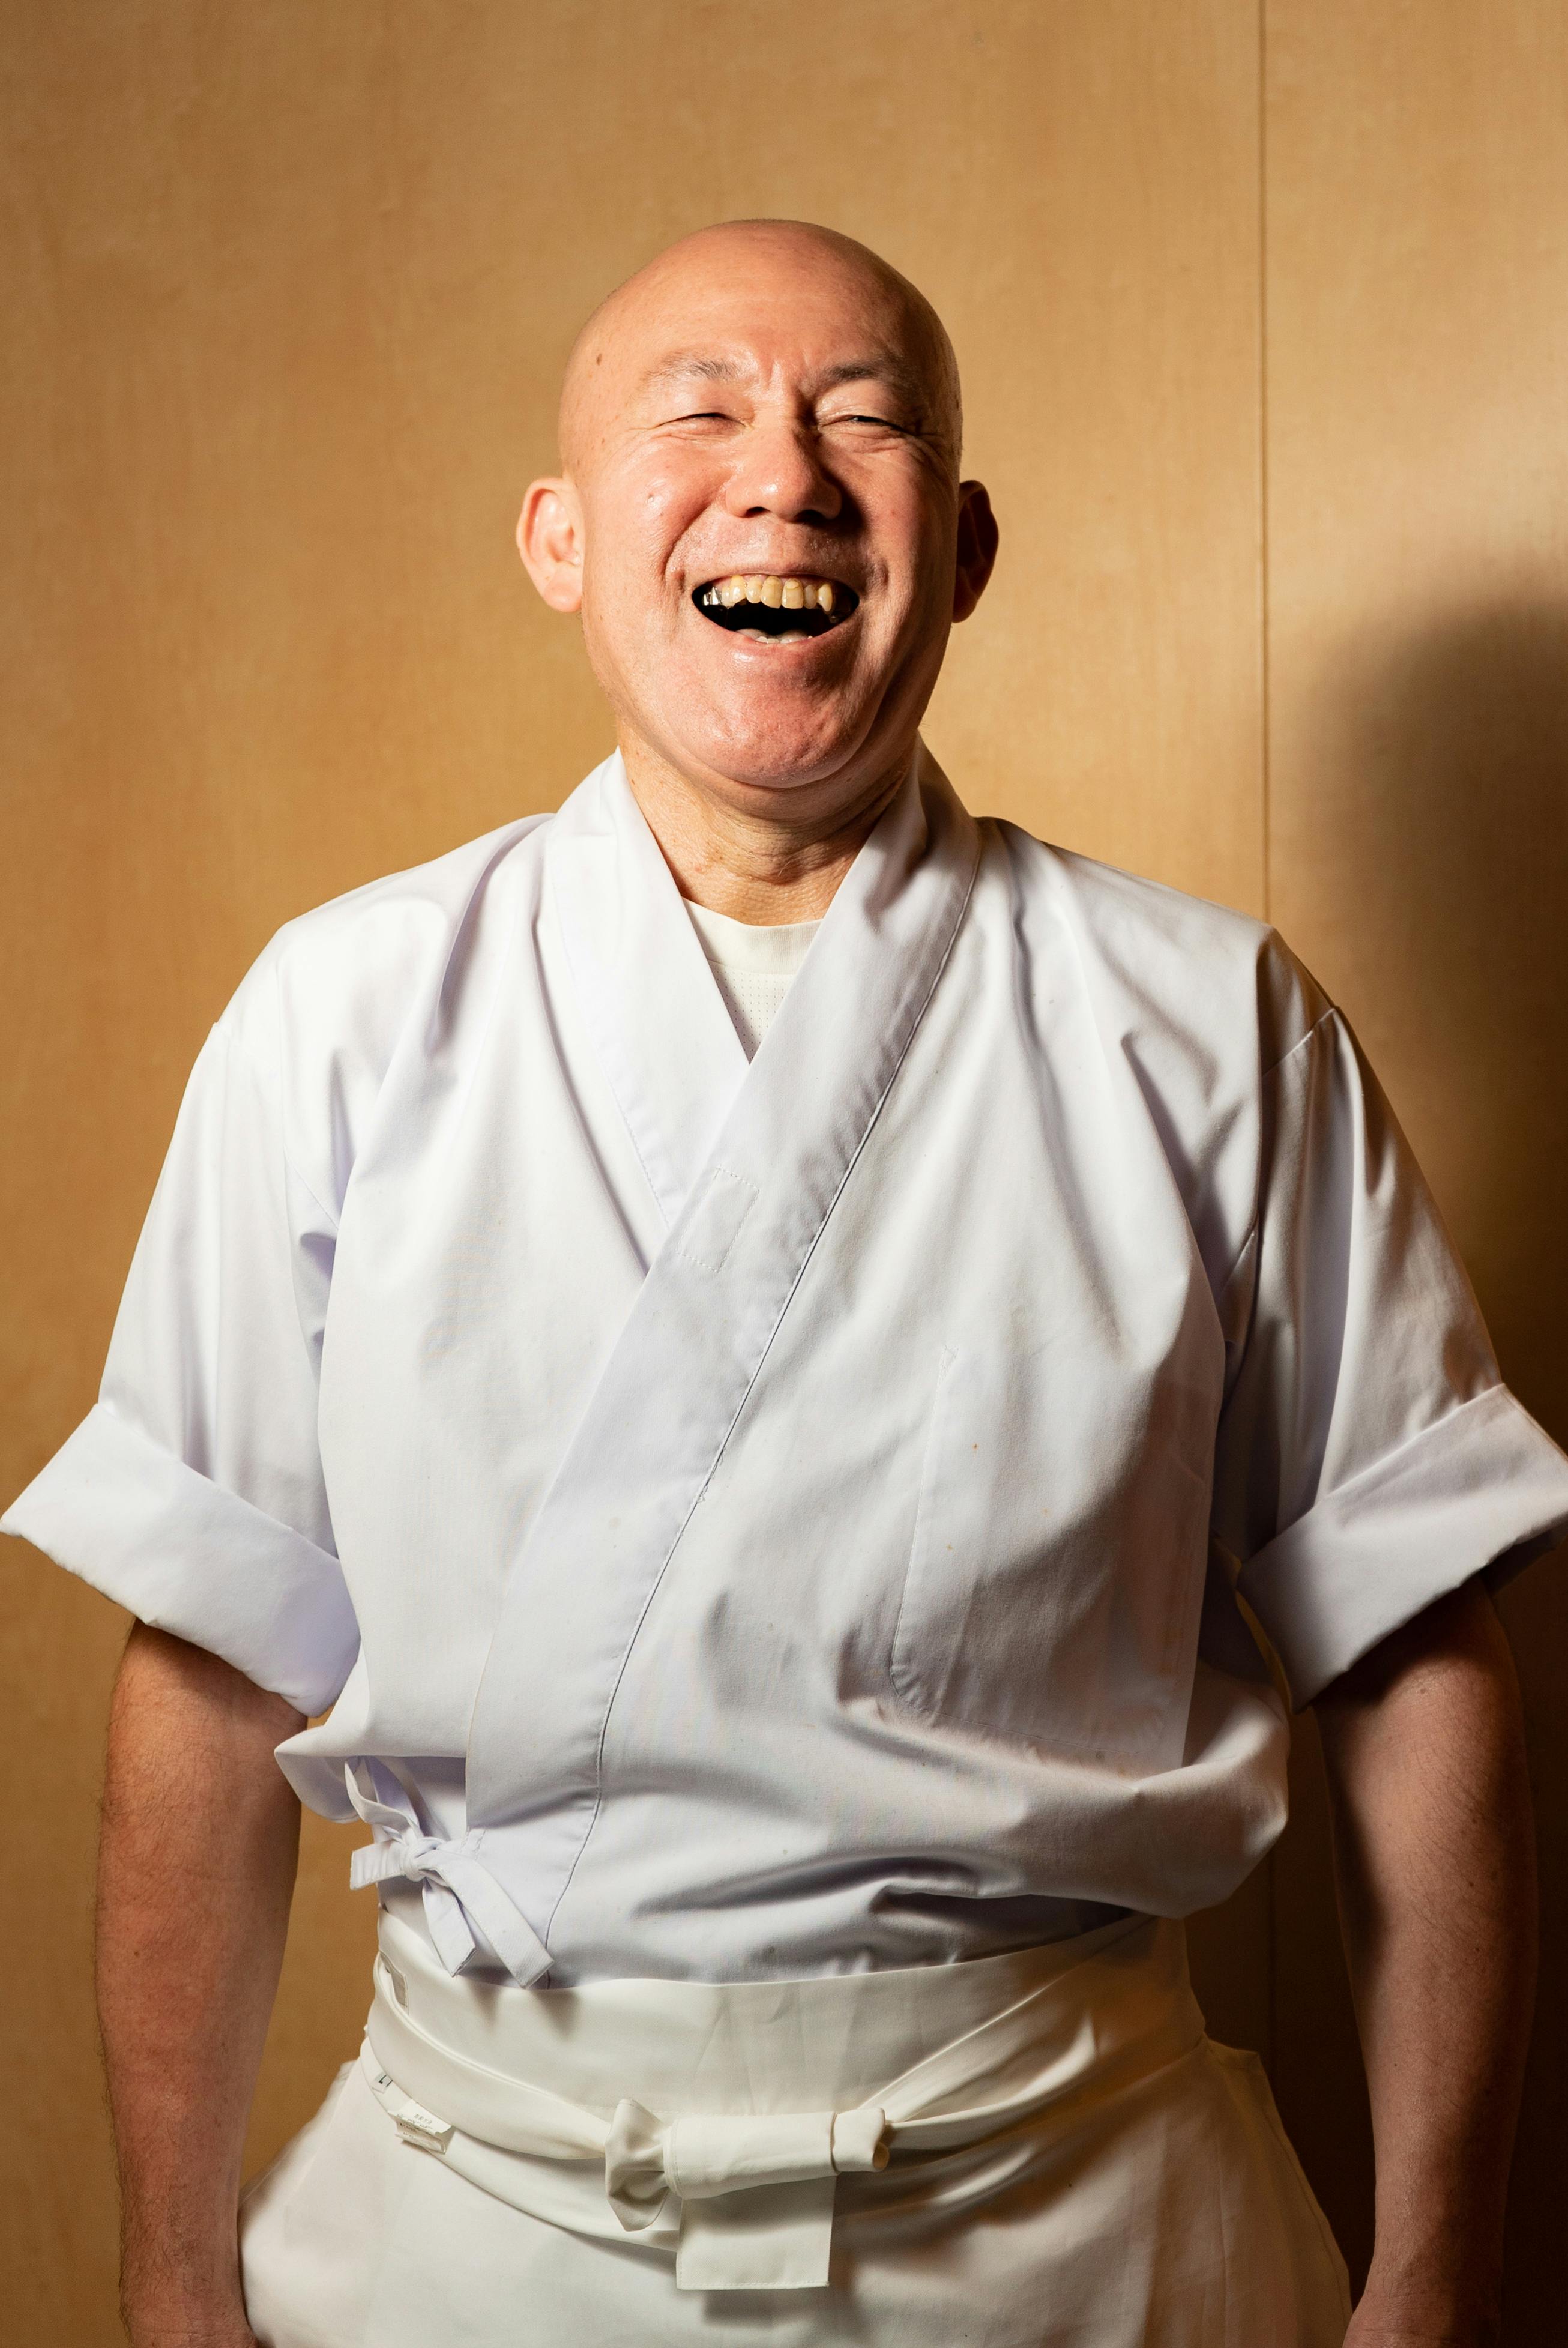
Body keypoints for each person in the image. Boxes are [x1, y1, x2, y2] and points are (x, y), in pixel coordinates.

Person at [8, 218, 1567, 2348]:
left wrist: (1435, 2280)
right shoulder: (341, 1014)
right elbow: (211, 1661)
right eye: (700, 411)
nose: (784, 476)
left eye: (863, 419)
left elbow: (1411, 1657)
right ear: (560, 540)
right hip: (480, 2230)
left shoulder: (1209, 1025)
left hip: (1075, 2226)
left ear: (966, 545)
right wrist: (174, 2284)